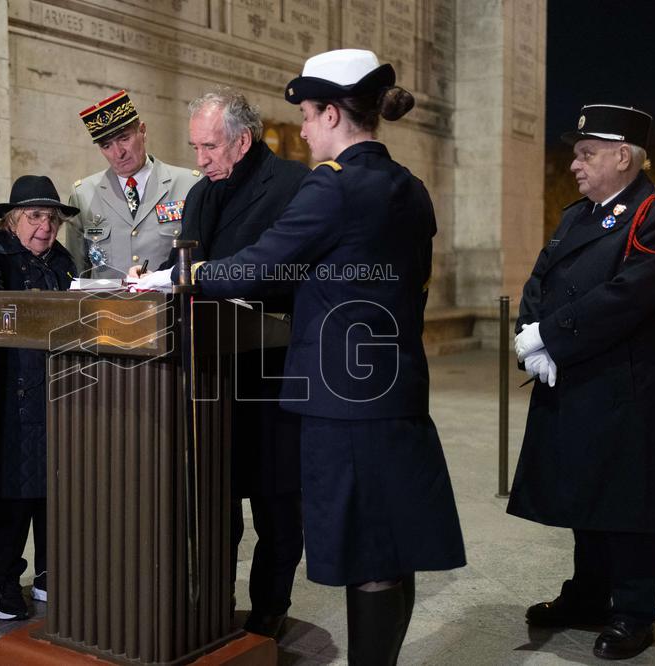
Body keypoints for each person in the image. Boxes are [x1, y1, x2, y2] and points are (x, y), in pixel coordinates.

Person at [138, 48, 466, 665]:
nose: (304, 130)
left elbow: (263, 263)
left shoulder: (333, 185)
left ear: (334, 114)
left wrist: (180, 276)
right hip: (393, 386)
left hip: (341, 399)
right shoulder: (409, 187)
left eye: (309, 116)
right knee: (391, 547)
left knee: (367, 553)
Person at [509, 104, 655, 660]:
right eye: (576, 154)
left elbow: (628, 296)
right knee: (585, 493)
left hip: (626, 385)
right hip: (576, 377)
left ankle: (632, 609)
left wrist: (552, 336)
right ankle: (586, 594)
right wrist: (529, 333)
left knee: (629, 503)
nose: (575, 164)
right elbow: (541, 275)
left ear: (622, 155)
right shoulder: (577, 214)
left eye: (586, 153)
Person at [150, 89, 309, 638]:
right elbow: (183, 266)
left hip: (272, 373)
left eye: (209, 146)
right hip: (208, 376)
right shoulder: (199, 194)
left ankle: (269, 610)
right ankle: (213, 606)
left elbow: (288, 271)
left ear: (242, 141)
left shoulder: (294, 186)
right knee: (213, 502)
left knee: (276, 502)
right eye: (195, 147)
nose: (200, 159)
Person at [0, 175, 78, 621]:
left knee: (55, 486)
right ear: (13, 218)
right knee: (13, 491)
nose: (46, 227)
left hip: (60, 390)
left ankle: (48, 572)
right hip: (10, 393)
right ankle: (2, 580)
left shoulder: (63, 259)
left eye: (52, 218)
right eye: (35, 216)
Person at [66, 90, 201, 277]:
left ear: (143, 131)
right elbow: (78, 273)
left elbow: (201, 259)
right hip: (107, 305)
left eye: (124, 138)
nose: (118, 152)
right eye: (106, 146)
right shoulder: (84, 194)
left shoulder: (189, 184)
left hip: (169, 303)